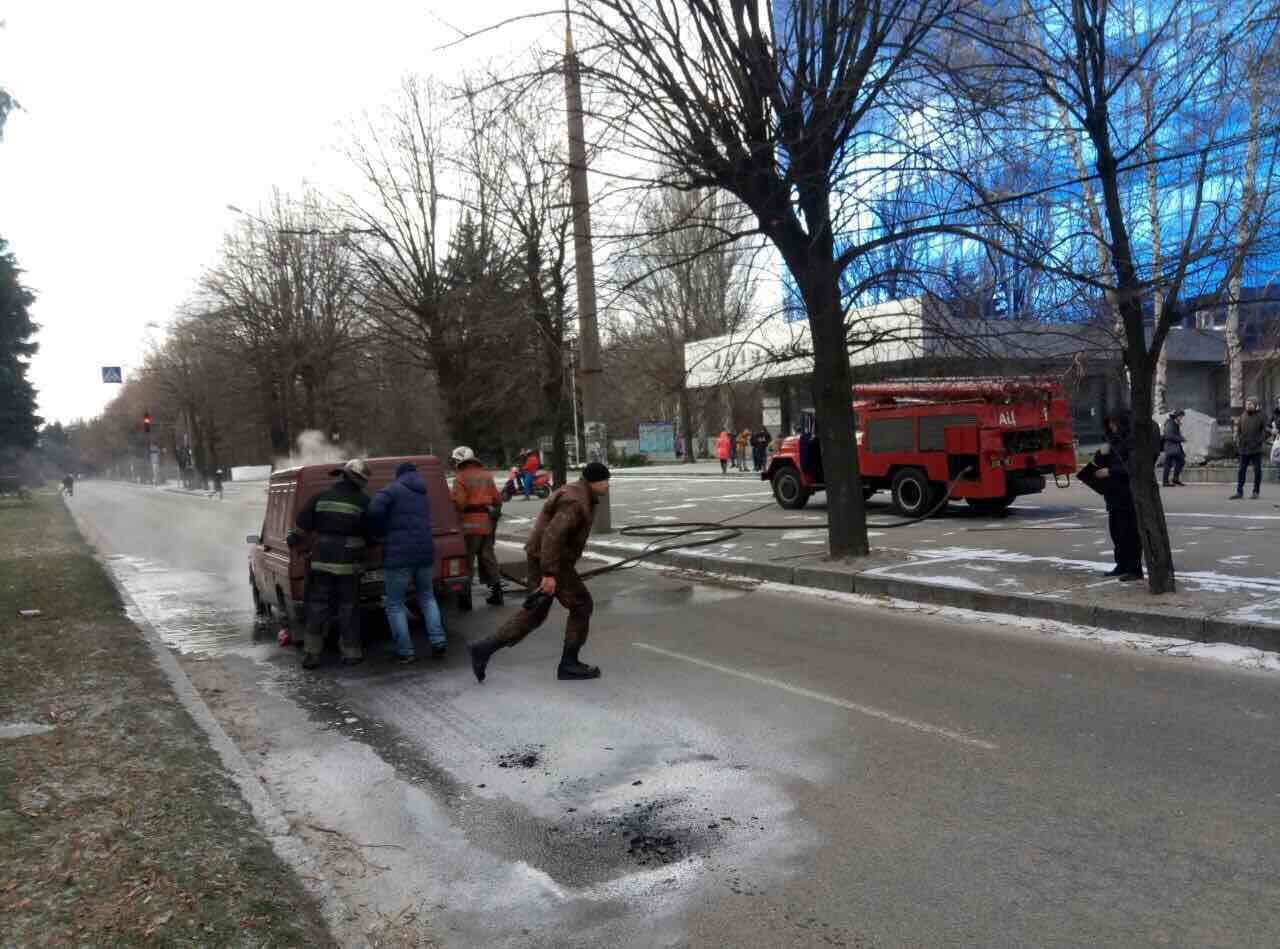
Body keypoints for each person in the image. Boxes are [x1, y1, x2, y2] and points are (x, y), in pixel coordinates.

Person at [468, 462, 611, 683]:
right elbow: (552, 536)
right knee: (581, 604)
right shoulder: (576, 501)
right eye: (606, 480)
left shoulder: (578, 493)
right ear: (596, 481)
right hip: (551, 561)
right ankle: (569, 664)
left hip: (544, 558)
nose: (608, 484)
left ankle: (484, 649)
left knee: (535, 612)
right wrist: (550, 574)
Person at [290, 459, 373, 669]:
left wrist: (294, 541)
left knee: (318, 607)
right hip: (349, 564)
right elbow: (372, 532)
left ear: (343, 476)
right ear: (360, 482)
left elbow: (300, 527)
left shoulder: (320, 498)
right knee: (348, 608)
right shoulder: (363, 502)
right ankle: (351, 653)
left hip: (321, 562)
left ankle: (311, 654)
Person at [368, 460, 447, 663]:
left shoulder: (391, 490)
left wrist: (378, 531)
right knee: (427, 598)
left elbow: (374, 511)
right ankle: (438, 641)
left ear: (398, 475)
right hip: (424, 551)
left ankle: (405, 651)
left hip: (399, 554)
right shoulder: (422, 493)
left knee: (394, 604)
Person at [1081, 412, 1143, 581]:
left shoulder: (1131, 441)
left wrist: (1110, 471)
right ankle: (1121, 564)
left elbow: (1133, 468)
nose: (1112, 427)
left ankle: (1134, 568)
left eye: (1115, 424)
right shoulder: (1113, 441)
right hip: (1113, 495)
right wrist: (1101, 452)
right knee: (1116, 532)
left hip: (1127, 495)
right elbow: (1099, 462)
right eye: (1110, 424)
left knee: (1130, 533)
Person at [450, 445, 504, 609]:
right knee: (488, 557)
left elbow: (460, 503)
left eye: (455, 460)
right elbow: (497, 500)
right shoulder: (487, 476)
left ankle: (465, 599)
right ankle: (497, 593)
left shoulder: (460, 478)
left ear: (460, 459)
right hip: (486, 522)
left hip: (469, 524)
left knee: (467, 562)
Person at [1230, 397, 1266, 499]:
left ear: (1255, 405)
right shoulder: (1243, 416)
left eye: (1250, 404)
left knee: (1257, 471)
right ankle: (1239, 492)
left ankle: (1256, 492)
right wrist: (1239, 440)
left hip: (1256, 449)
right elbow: (1239, 430)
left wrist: (1258, 441)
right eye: (1247, 404)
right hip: (1244, 449)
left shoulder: (1261, 416)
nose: (1248, 406)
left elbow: (1265, 431)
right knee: (1241, 471)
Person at [1161, 410, 1186, 487]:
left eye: (1182, 416)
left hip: (1174, 447)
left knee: (1181, 461)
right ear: (1177, 416)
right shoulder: (1170, 423)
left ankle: (1175, 479)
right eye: (1181, 416)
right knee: (1168, 464)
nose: (1182, 418)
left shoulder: (1174, 423)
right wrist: (1180, 438)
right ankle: (1166, 482)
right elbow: (1169, 435)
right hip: (1170, 446)